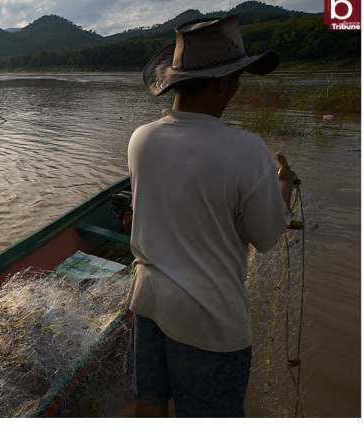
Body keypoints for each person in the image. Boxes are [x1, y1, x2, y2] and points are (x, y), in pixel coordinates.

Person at [125, 15, 295, 418]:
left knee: (149, 403)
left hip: (147, 302)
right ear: (223, 82)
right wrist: (283, 187)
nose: (236, 89)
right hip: (210, 322)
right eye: (238, 79)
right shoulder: (247, 149)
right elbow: (266, 236)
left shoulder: (141, 138)